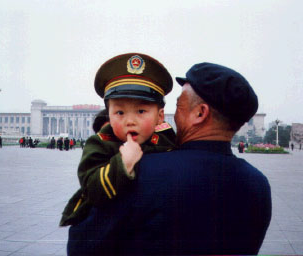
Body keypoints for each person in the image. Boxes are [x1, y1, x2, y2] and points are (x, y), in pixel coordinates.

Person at [67, 62, 272, 255]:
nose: (172, 117)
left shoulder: (140, 172)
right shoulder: (258, 184)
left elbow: (81, 247)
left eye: (179, 106)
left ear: (200, 113)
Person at [60, 53, 176, 227]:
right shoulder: (99, 143)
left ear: (160, 116)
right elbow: (91, 190)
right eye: (120, 113)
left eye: (141, 111)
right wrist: (123, 163)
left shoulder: (167, 140)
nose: (130, 121)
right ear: (109, 115)